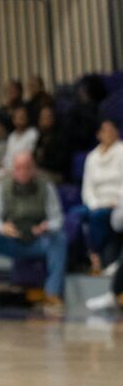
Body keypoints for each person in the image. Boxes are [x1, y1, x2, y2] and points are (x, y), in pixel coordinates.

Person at [0, 152, 66, 309]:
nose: (23, 172)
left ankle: (53, 294)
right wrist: (2, 228)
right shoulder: (1, 186)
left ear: (34, 169)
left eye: (27, 167)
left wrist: (47, 227)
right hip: (11, 240)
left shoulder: (46, 186)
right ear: (13, 170)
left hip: (38, 240)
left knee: (59, 238)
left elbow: (57, 219)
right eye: (19, 168)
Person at [78, 118, 123, 271]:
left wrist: (117, 200)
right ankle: (78, 259)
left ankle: (94, 253)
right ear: (98, 135)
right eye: (105, 130)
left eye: (112, 130)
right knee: (73, 215)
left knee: (98, 216)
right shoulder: (92, 157)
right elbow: (87, 188)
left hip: (116, 202)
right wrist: (94, 204)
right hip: (96, 202)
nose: (109, 133)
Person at [33, 104, 71, 183]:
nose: (44, 120)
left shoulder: (61, 137)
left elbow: (60, 163)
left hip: (57, 174)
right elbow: (34, 155)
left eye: (47, 117)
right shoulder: (41, 137)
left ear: (53, 118)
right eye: (42, 117)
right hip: (41, 171)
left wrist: (42, 162)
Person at [2, 104, 38, 170]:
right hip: (8, 170)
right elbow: (8, 156)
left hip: (24, 170)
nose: (19, 119)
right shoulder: (11, 136)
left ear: (27, 118)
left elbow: (28, 155)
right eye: (17, 117)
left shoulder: (33, 133)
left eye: (22, 116)